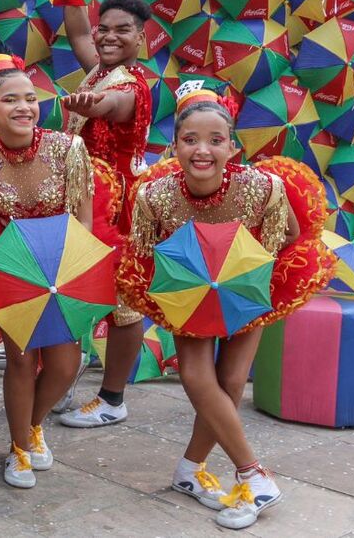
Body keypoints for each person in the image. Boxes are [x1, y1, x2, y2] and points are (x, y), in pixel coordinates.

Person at [117, 85, 333, 530]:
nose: (203, 150)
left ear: (232, 147)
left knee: (231, 381)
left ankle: (190, 469)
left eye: (215, 140)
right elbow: (145, 253)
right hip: (189, 291)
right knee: (197, 376)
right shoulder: (154, 196)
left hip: (247, 287)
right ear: (174, 146)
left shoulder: (263, 187)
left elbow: (290, 236)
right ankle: (253, 474)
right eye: (190, 139)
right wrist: (191, 276)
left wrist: (239, 269)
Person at [0, 54, 97, 489]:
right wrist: (10, 259)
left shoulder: (67, 148)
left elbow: (84, 216)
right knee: (20, 361)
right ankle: (19, 447)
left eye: (30, 98)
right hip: (13, 269)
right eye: (10, 100)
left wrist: (68, 264)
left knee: (65, 364)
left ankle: (33, 423)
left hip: (63, 267)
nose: (23, 107)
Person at [57, 0, 153, 427]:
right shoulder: (98, 70)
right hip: (84, 201)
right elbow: (78, 30)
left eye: (123, 30)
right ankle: (60, 377)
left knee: (123, 304)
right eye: (106, 28)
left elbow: (110, 105)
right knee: (67, 290)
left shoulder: (132, 85)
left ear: (141, 37)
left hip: (118, 211)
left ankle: (113, 399)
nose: (110, 36)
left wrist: (89, 104)